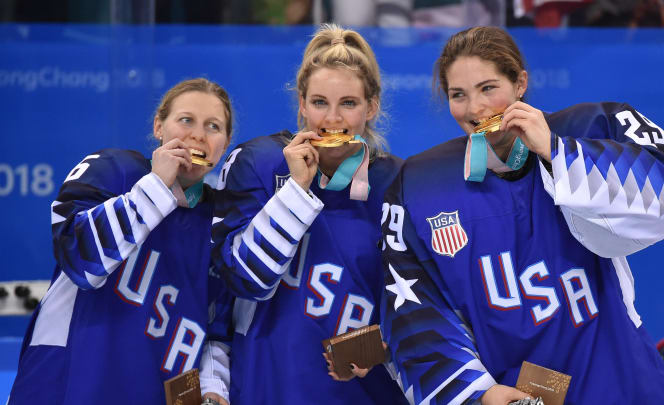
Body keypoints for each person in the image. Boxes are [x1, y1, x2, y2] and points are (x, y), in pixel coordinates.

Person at [379, 26, 664, 405]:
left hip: (617, 381)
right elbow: (416, 311)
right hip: (508, 393)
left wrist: (556, 152)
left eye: (489, 88)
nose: (475, 110)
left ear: (520, 83)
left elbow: (653, 202)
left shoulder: (586, 131)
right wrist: (478, 394)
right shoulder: (421, 185)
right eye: (459, 95)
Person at [200, 24, 406, 405]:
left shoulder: (399, 182)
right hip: (267, 387)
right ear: (301, 103)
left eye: (348, 103)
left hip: (360, 393)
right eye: (319, 103)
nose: (332, 119)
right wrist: (296, 190)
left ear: (371, 107)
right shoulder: (258, 163)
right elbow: (244, 280)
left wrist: (385, 342)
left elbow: (425, 306)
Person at [8, 78, 234, 404]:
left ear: (224, 145)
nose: (198, 134)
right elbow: (80, 258)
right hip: (64, 386)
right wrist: (157, 186)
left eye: (213, 126)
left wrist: (214, 389)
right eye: (186, 120)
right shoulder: (114, 170)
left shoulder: (219, 222)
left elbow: (216, 327)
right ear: (159, 126)